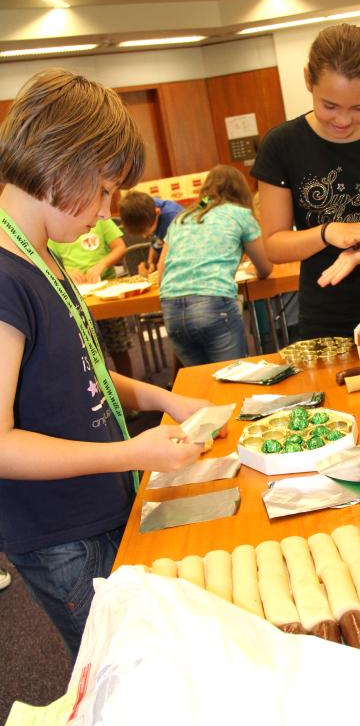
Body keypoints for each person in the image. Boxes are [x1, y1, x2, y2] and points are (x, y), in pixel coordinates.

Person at [0, 68, 218, 662]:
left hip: (98, 505)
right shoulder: (4, 274)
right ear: (57, 164)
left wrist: (163, 398)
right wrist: (134, 453)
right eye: (101, 190)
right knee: (116, 668)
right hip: (60, 534)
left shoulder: (39, 253)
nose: (104, 212)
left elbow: (81, 370)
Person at [251, 23, 360, 339]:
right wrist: (327, 232)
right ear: (309, 80)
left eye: (359, 107)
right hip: (326, 316)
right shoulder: (282, 144)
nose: (343, 120)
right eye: (329, 106)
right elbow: (275, 246)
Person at [159, 165, 272, 365]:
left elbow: (161, 272)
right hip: (213, 303)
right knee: (232, 380)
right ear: (240, 190)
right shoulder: (240, 214)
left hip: (171, 309)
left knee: (202, 386)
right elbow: (265, 267)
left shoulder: (182, 217)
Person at [49, 218, 134, 378]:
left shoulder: (100, 220)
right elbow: (47, 260)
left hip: (107, 292)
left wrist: (101, 265)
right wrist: (64, 272)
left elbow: (120, 247)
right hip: (77, 294)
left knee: (119, 346)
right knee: (89, 352)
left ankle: (129, 393)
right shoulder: (57, 224)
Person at [119, 189, 183, 275]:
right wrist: (150, 263)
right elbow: (157, 241)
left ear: (157, 213)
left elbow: (174, 257)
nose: (144, 236)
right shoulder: (147, 210)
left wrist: (160, 267)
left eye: (146, 232)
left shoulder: (173, 220)